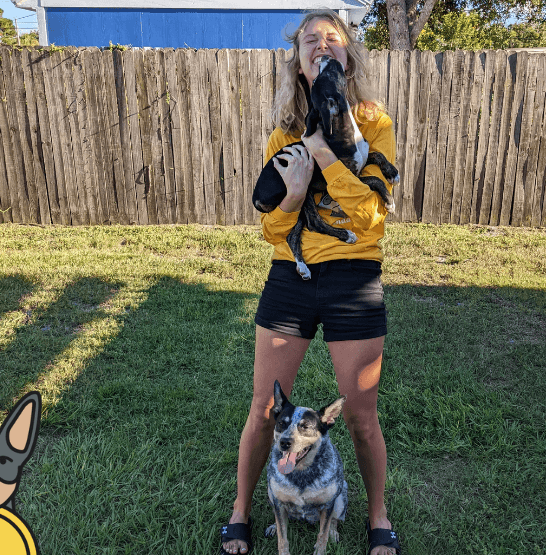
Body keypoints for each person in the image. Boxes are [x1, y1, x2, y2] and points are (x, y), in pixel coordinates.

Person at [219, 10, 400, 555]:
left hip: (354, 278)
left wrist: (324, 152)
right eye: (311, 40)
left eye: (334, 38)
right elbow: (272, 227)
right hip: (290, 278)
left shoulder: (373, 123)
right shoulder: (283, 134)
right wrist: (295, 197)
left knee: (362, 416)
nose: (323, 45)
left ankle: (377, 515)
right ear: (298, 63)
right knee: (262, 410)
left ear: (348, 57)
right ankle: (241, 512)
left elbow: (372, 215)